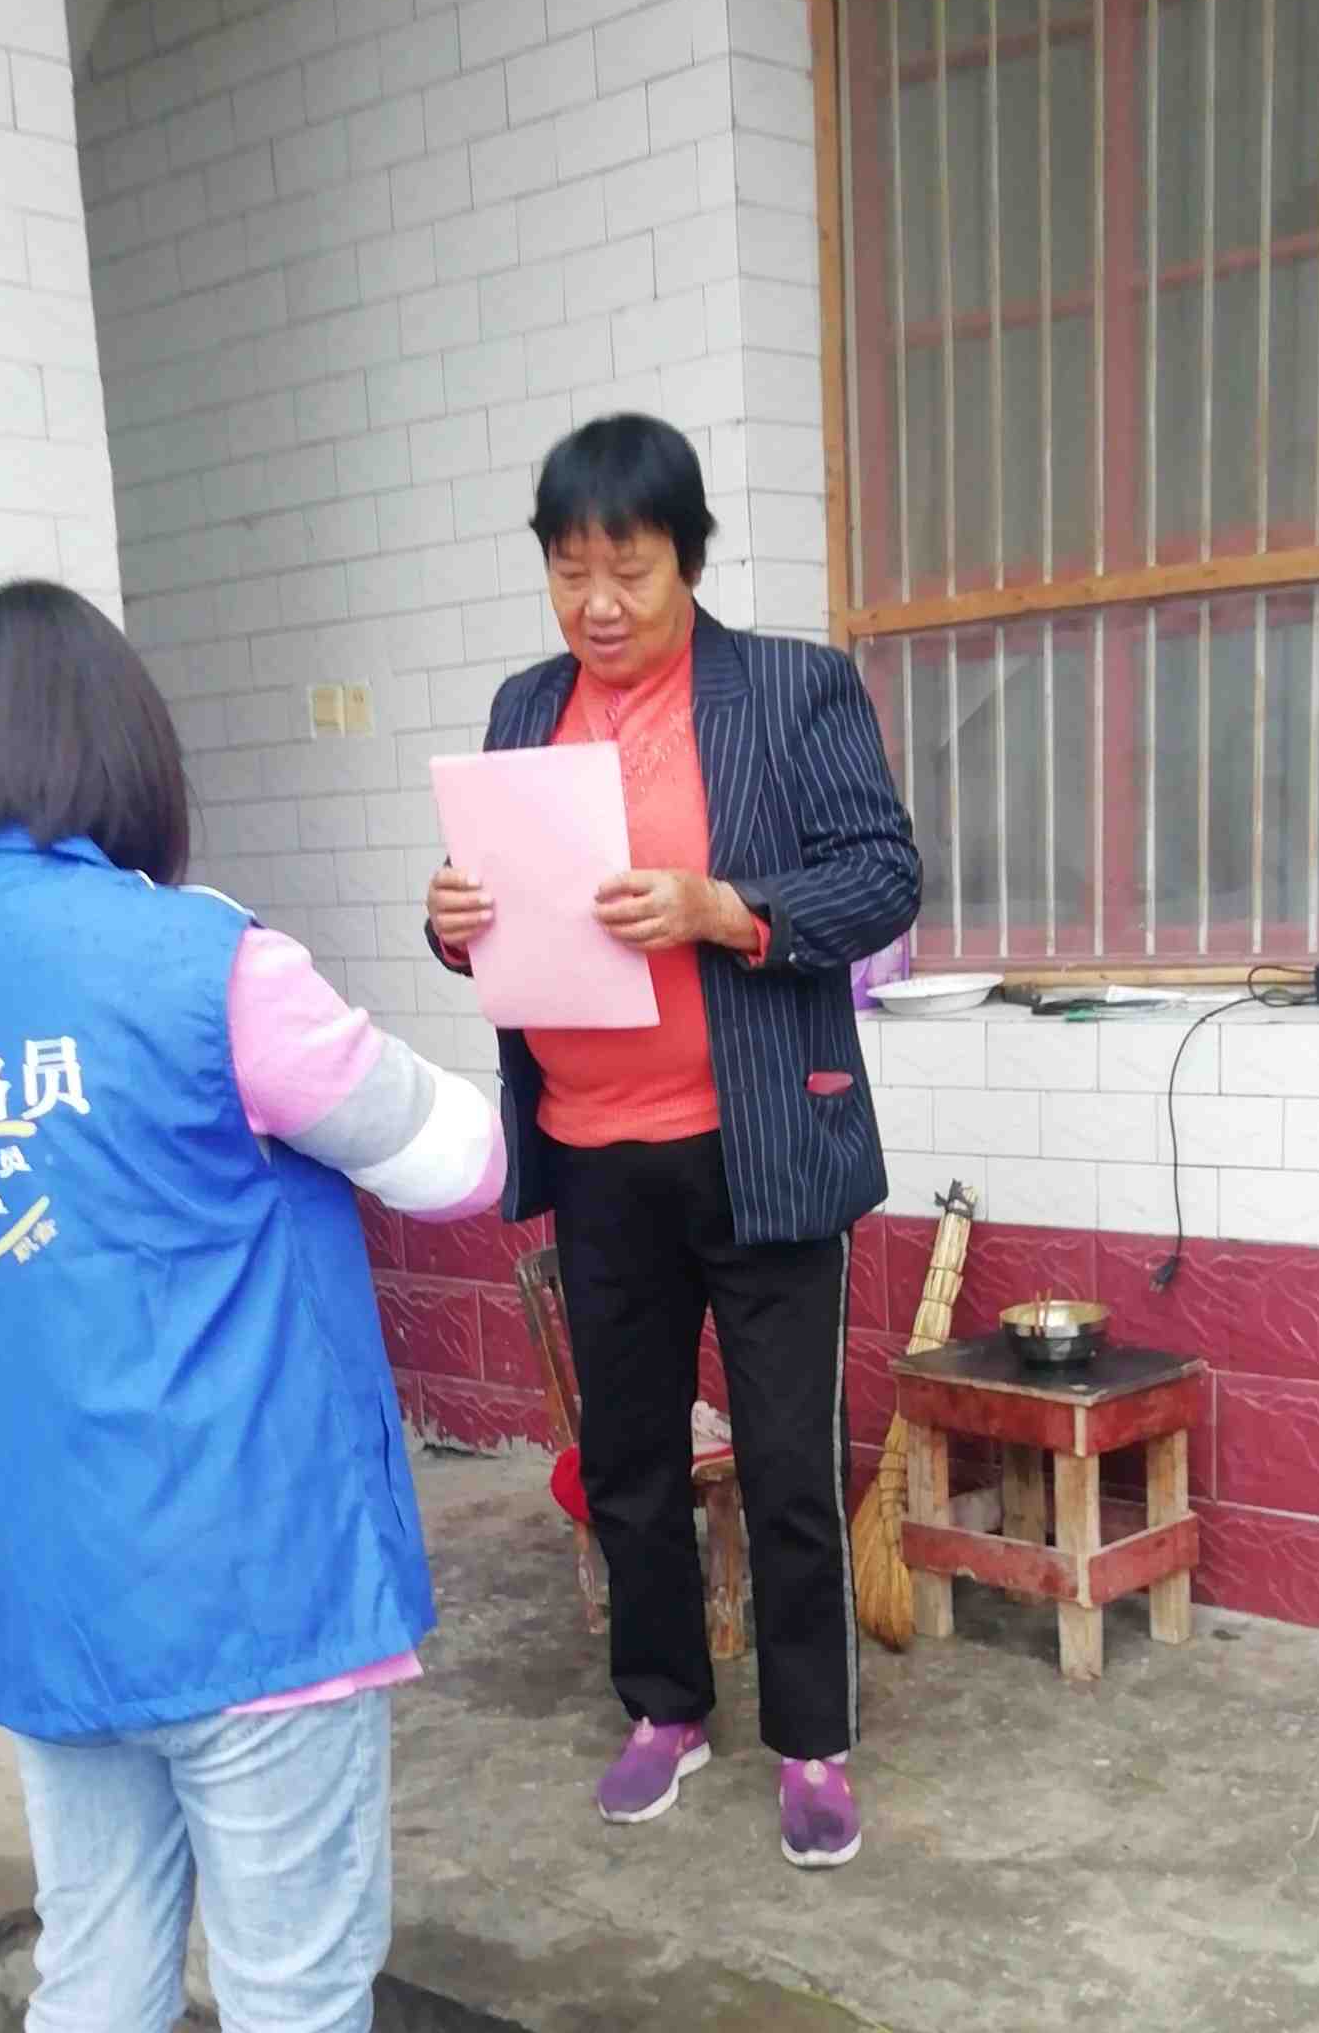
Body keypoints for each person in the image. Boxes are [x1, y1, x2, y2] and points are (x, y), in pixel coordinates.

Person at [0, 582, 504, 2033]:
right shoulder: (209, 968)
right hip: (251, 1585)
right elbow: (455, 1164)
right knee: (292, 1988)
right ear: (122, 756)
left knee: (98, 1971)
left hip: (41, 1602)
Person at [424, 414, 922, 1869]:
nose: (598, 604)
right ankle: (664, 1708)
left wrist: (727, 910)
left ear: (688, 559)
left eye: (628, 570)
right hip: (592, 1149)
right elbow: (499, 909)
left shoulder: (792, 690)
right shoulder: (526, 708)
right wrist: (451, 924)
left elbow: (884, 876)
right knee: (629, 1458)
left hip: (760, 1143)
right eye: (569, 571)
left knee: (786, 1463)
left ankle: (813, 1741)